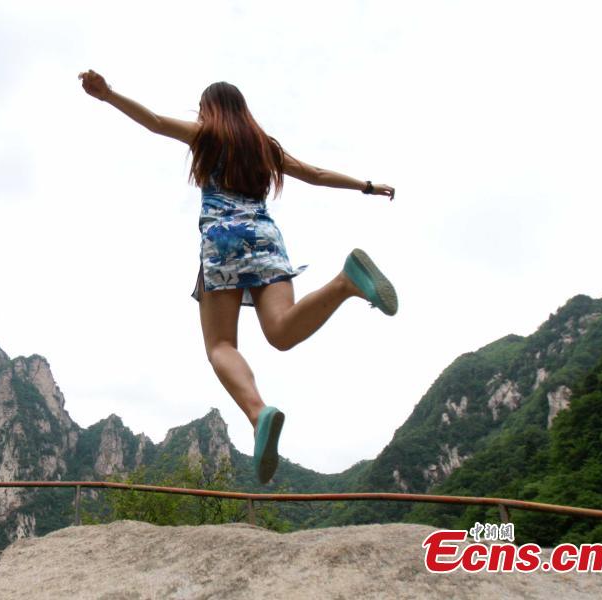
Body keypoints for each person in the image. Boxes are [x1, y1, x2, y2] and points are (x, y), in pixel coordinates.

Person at [78, 69, 397, 484]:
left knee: (221, 345)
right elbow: (315, 174)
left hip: (222, 242)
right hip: (266, 239)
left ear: (209, 110)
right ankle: (345, 282)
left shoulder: (206, 136)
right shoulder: (264, 147)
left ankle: (258, 412)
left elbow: (154, 121)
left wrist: (108, 94)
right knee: (281, 331)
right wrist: (367, 186)